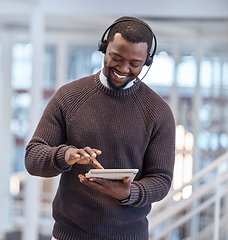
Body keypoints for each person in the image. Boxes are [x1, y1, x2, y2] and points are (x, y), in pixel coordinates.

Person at [25, 16, 176, 240]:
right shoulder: (69, 97)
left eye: (134, 64)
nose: (123, 68)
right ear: (104, 49)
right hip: (70, 235)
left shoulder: (158, 112)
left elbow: (161, 180)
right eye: (116, 58)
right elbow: (33, 158)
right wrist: (66, 155)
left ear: (147, 62)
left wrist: (128, 193)